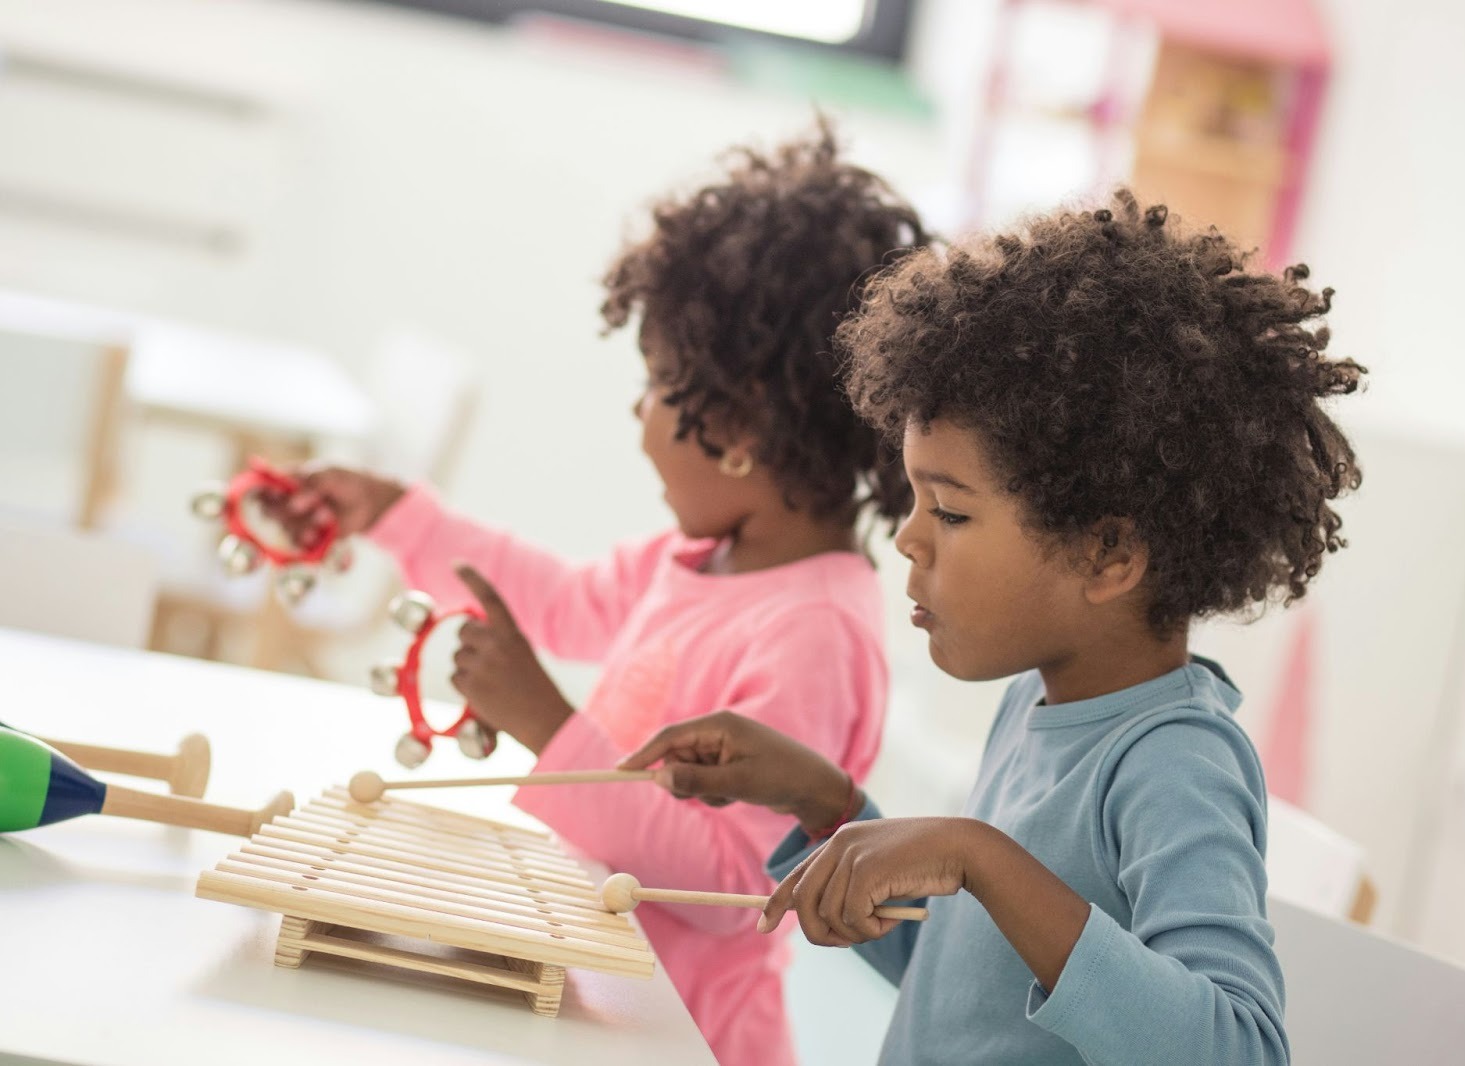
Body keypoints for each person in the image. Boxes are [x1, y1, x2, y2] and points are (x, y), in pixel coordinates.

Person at [619, 192, 1367, 1065]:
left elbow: (1238, 1048)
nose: (908, 538)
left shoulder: (1176, 762)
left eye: (950, 511)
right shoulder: (1034, 706)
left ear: (1108, 554)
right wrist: (824, 804)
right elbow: (966, 990)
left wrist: (977, 855)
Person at [267, 122, 928, 1066]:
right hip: (598, 1010)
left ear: (740, 426)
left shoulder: (814, 631)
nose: (637, 410)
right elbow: (561, 601)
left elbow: (735, 885)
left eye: (659, 383)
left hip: (685, 1041)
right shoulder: (697, 558)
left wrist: (549, 725)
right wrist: (394, 515)